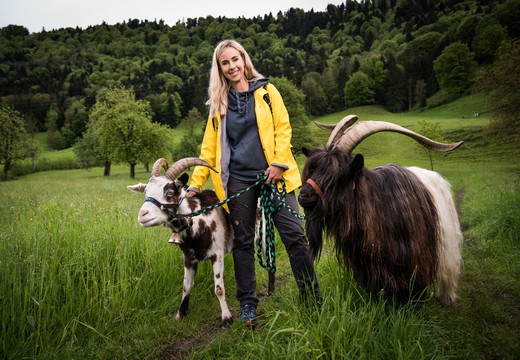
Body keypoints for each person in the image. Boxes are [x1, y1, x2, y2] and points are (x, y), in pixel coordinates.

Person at [185, 39, 320, 328]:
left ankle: (311, 298)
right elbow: (209, 149)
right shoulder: (218, 104)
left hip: (276, 174)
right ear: (219, 68)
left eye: (236, 59)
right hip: (238, 180)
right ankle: (248, 304)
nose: (232, 66)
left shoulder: (268, 92)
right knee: (243, 242)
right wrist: (196, 184)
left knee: (294, 234)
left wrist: (279, 163)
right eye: (225, 62)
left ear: (244, 60)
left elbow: (284, 129)